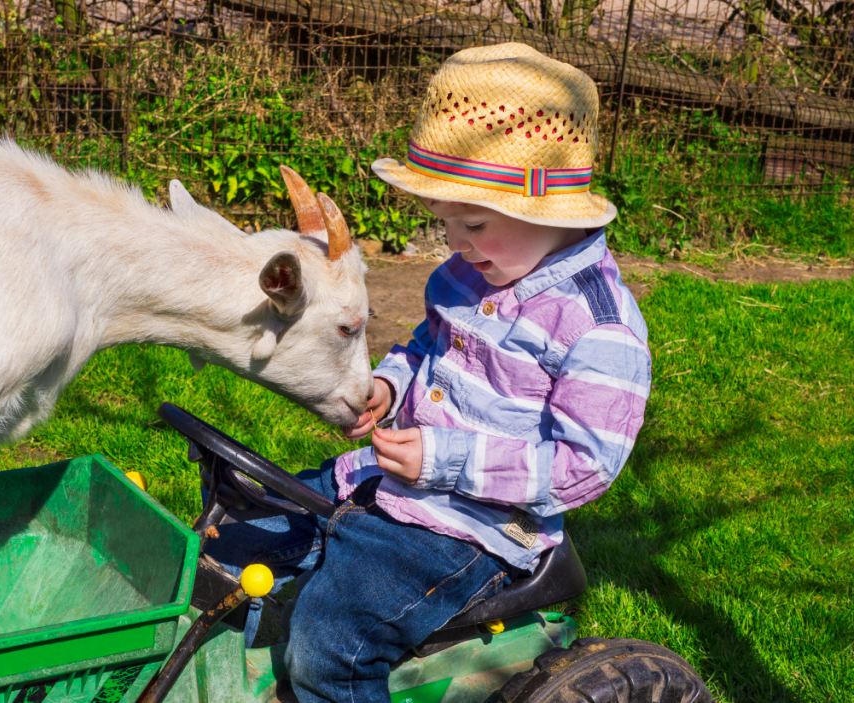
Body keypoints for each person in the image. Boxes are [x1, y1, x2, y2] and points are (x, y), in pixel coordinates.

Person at [206, 42, 652, 703]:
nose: (455, 244)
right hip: (381, 481)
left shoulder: (599, 328)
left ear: (545, 212)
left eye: (473, 223)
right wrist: (389, 387)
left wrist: (444, 459)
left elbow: (582, 466)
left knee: (331, 642)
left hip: (473, 531)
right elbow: (425, 349)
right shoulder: (471, 275)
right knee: (230, 545)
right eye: (446, 224)